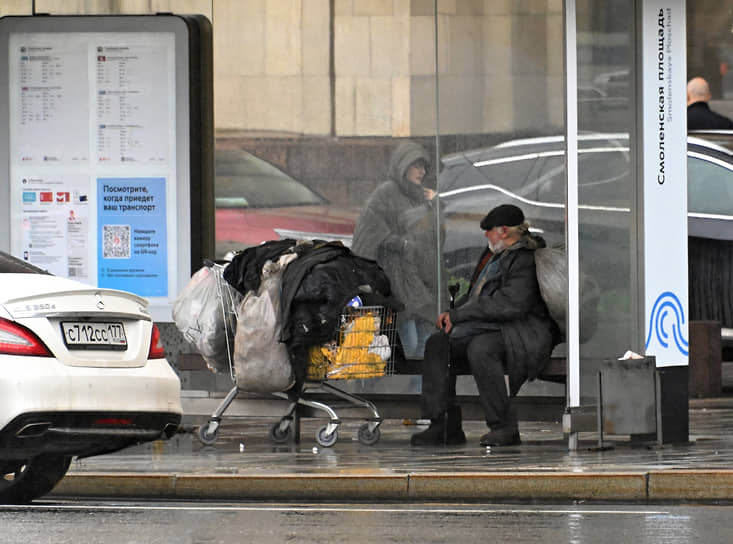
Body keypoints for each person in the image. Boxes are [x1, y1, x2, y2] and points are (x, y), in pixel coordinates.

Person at [411, 204, 560, 447]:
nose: (485, 235)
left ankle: (504, 427)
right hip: (489, 326)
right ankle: (443, 424)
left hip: (521, 332)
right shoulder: (492, 254)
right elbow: (475, 296)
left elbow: (511, 304)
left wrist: (460, 315)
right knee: (439, 344)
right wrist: (452, 313)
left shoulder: (525, 259)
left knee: (481, 349)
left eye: (488, 230)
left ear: (503, 231)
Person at [351, 141, 444, 359]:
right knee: (409, 343)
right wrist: (400, 244)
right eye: (416, 166)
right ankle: (391, 389)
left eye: (424, 167)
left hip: (423, 281)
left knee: (426, 343)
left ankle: (417, 391)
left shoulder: (422, 196)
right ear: (402, 166)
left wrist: (435, 206)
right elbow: (369, 230)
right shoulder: (385, 194)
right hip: (398, 281)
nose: (422, 172)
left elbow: (435, 236)